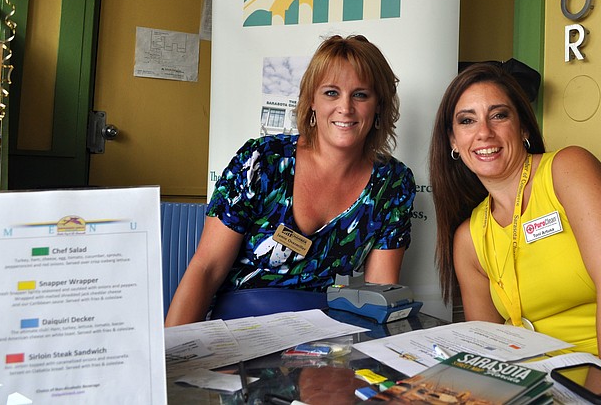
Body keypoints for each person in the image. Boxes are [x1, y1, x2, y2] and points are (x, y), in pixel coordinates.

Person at [429, 62, 601, 405]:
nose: (484, 132)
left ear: (523, 127)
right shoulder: (469, 238)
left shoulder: (569, 170)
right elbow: (489, 346)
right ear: (453, 141)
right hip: (539, 390)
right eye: (467, 121)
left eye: (499, 115)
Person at [165, 35, 415, 327]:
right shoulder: (262, 161)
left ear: (379, 105)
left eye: (360, 95)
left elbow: (378, 296)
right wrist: (175, 348)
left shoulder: (393, 183)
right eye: (331, 93)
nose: (345, 107)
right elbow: (206, 269)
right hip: (237, 326)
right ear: (312, 101)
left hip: (322, 335)